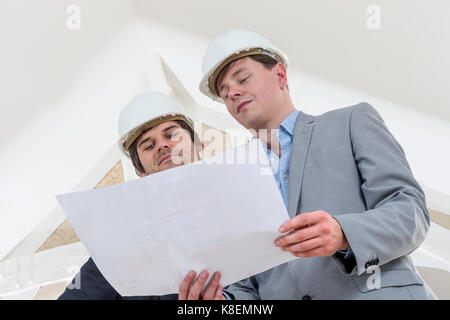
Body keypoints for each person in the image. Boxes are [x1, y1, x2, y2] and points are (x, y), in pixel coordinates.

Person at [195, 29, 437, 299]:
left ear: (280, 75)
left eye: (242, 78)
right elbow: (248, 285)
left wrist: (345, 233)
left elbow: (410, 211)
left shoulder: (351, 122)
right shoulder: (237, 180)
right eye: (224, 92)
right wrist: (223, 301)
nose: (233, 93)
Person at [59, 92, 225, 300]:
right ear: (140, 170)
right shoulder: (120, 245)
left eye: (171, 134)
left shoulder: (240, 208)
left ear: (198, 145)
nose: (162, 145)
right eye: (148, 145)